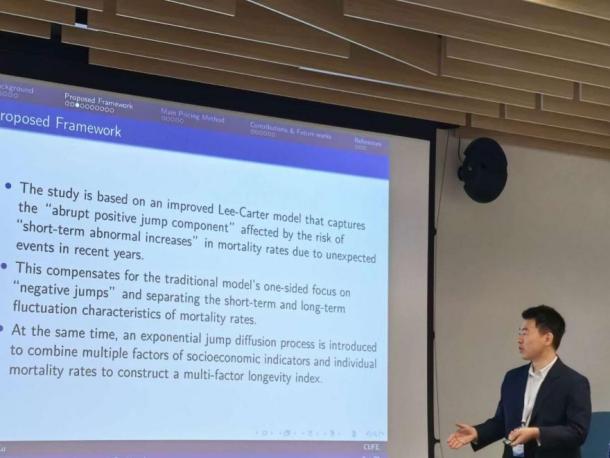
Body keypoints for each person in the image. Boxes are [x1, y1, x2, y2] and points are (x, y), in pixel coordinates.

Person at [447, 305, 591, 458]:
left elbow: (577, 432)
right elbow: (502, 422)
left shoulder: (574, 382)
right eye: (519, 333)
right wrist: (477, 433)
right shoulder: (513, 378)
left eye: (525, 333)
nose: (519, 339)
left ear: (547, 338)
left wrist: (537, 433)